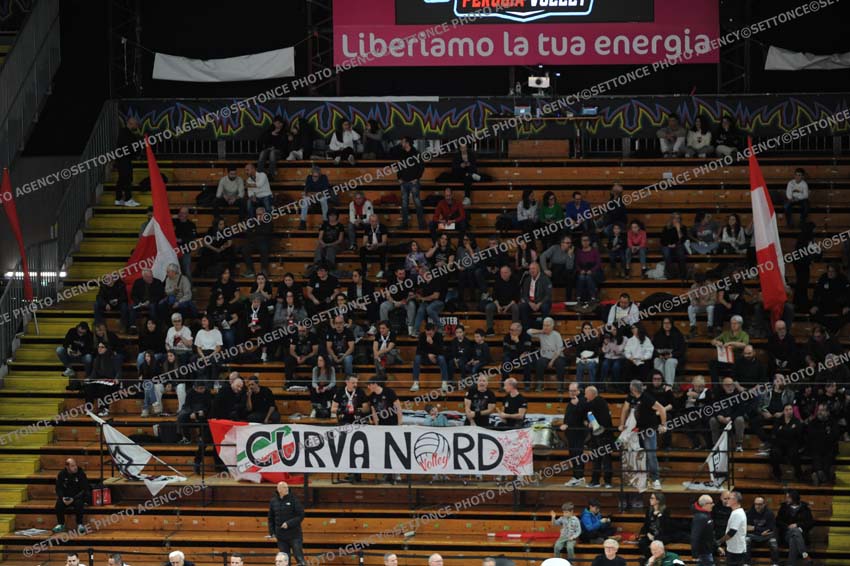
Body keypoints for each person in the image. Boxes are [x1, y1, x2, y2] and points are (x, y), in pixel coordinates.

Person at [619, 379, 667, 490]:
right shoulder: (630, 397)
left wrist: (663, 425)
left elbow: (662, 409)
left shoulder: (647, 398)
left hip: (648, 430)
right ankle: (641, 479)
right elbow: (625, 410)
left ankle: (655, 479)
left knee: (651, 454)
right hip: (635, 431)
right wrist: (622, 424)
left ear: (633, 389)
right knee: (636, 454)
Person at [267, 482, 305, 565]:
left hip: (294, 535)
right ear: (279, 489)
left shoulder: (294, 500)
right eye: (284, 487)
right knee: (284, 559)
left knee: (299, 558)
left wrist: (289, 523)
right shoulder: (273, 501)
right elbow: (271, 518)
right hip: (281, 537)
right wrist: (272, 533)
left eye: (287, 487)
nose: (287, 489)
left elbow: (301, 515)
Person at [709, 377, 748, 452]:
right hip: (721, 417)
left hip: (733, 418)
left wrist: (730, 417)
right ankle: (716, 445)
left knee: (740, 419)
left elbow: (741, 410)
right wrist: (719, 415)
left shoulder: (739, 395)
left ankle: (738, 444)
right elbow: (713, 407)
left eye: (731, 385)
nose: (729, 386)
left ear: (733, 385)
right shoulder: (718, 394)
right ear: (723, 386)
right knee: (712, 420)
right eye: (727, 385)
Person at [560, 382, 587, 486]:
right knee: (573, 455)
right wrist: (565, 424)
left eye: (574, 391)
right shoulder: (572, 401)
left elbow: (581, 416)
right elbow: (568, 416)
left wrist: (577, 405)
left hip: (578, 432)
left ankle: (579, 477)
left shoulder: (582, 401)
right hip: (571, 433)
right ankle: (576, 477)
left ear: (579, 391)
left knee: (577, 454)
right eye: (570, 391)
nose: (571, 393)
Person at [810, 263, 850, 334]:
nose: (830, 273)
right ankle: (833, 329)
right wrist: (815, 305)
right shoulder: (823, 277)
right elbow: (816, 293)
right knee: (813, 313)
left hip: (839, 306)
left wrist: (847, 306)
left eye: (832, 271)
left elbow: (848, 294)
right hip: (825, 306)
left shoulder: (843, 279)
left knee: (848, 314)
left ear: (837, 272)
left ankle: (831, 329)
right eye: (829, 271)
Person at [528, 317, 566, 392]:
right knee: (539, 362)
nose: (545, 327)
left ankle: (560, 385)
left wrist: (552, 361)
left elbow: (559, 350)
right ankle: (540, 384)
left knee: (560, 363)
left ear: (552, 326)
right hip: (545, 356)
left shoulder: (556, 334)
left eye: (547, 325)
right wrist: (541, 331)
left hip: (556, 356)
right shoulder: (541, 334)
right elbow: (528, 332)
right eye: (544, 325)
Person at [777, 489, 813, 565]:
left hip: (801, 535)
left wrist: (798, 525)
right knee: (794, 531)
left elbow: (810, 523)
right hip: (786, 534)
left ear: (794, 498)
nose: (786, 499)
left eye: (788, 497)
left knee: (793, 540)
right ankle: (804, 554)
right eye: (786, 497)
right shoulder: (784, 507)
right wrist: (788, 527)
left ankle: (791, 564)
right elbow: (778, 521)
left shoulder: (805, 508)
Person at [53, 458, 90, 533]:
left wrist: (74, 498)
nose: (75, 467)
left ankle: (79, 524)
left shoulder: (81, 473)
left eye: (75, 465)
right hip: (66, 498)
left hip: (77, 497)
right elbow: (58, 489)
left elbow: (84, 489)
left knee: (79, 503)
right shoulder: (61, 474)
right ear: (67, 467)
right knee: (59, 503)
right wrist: (62, 498)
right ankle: (61, 524)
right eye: (72, 466)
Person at [709, 315, 749, 383]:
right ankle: (715, 385)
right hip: (725, 358)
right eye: (732, 323)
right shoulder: (726, 333)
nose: (733, 325)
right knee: (712, 363)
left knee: (737, 365)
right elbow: (712, 341)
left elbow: (744, 345)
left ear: (740, 324)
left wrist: (731, 343)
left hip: (737, 358)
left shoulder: (744, 334)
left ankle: (732, 384)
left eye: (735, 323)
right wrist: (717, 342)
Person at [397, 137, 426, 229]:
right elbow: (399, 166)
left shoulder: (416, 153)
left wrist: (417, 178)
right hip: (404, 181)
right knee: (404, 204)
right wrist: (399, 177)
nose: (401, 143)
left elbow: (421, 167)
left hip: (413, 182)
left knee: (417, 203)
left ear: (407, 143)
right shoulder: (401, 153)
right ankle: (405, 224)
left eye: (403, 142)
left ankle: (421, 224)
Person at [769, 404, 803, 481]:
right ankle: (777, 473)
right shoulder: (778, 420)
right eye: (786, 410)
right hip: (780, 444)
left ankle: (799, 474)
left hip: (792, 444)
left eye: (790, 409)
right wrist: (790, 430)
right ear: (784, 411)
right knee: (774, 452)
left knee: (794, 453)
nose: (789, 411)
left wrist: (782, 430)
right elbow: (774, 433)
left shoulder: (796, 421)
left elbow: (798, 433)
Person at [483, 265, 519, 336]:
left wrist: (507, 307)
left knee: (516, 308)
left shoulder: (515, 281)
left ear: (510, 273)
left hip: (510, 304)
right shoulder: (497, 281)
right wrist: (498, 306)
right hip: (498, 304)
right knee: (489, 307)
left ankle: (514, 329)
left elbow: (516, 298)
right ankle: (490, 329)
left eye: (505, 272)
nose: (503, 274)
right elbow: (494, 296)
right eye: (502, 273)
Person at [411, 323, 448, 392]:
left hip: (436, 358)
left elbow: (442, 351)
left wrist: (432, 343)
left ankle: (444, 383)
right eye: (427, 333)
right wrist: (428, 355)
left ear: (434, 331)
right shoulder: (422, 336)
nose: (428, 335)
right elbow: (418, 351)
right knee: (417, 358)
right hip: (425, 358)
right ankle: (415, 383)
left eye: (430, 333)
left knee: (442, 358)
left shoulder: (439, 336)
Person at [809, 403, 839, 485]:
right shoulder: (813, 422)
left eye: (822, 410)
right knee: (816, 456)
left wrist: (821, 435)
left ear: (827, 412)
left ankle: (818, 475)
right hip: (816, 448)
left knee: (828, 458)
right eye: (819, 410)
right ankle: (820, 474)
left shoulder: (833, 422)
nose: (819, 412)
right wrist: (825, 434)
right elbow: (811, 436)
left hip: (830, 448)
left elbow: (835, 436)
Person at [638, 492, 675, 558]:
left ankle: (657, 559)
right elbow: (646, 525)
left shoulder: (665, 511)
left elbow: (666, 527)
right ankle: (650, 559)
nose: (650, 499)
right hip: (651, 534)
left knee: (656, 543)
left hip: (662, 535)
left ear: (658, 500)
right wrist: (648, 534)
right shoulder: (649, 510)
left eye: (652, 498)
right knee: (642, 543)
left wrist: (659, 515)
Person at [114, 117, 141, 206]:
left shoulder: (124, 133)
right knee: (127, 179)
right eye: (135, 124)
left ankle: (118, 199)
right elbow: (130, 147)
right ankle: (128, 199)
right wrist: (136, 154)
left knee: (122, 179)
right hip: (124, 159)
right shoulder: (126, 133)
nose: (137, 126)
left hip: (122, 159)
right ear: (130, 123)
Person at [412, 265, 447, 334]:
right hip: (427, 302)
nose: (420, 275)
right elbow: (420, 294)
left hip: (439, 302)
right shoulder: (423, 282)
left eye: (421, 273)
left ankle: (441, 328)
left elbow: (436, 296)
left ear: (426, 273)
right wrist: (416, 296)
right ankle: (415, 331)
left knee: (429, 309)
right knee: (420, 310)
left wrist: (423, 298)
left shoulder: (436, 279)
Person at [746, 496, 780, 566]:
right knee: (746, 540)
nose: (757, 506)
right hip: (754, 536)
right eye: (756, 504)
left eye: (759, 504)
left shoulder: (769, 513)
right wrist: (760, 531)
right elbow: (747, 528)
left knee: (773, 541)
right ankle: (746, 563)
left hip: (766, 536)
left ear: (764, 504)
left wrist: (754, 528)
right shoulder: (749, 512)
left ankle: (775, 563)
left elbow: (770, 528)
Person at [540, 235, 575, 301]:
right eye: (567, 243)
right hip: (553, 271)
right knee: (544, 276)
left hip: (564, 273)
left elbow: (569, 267)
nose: (569, 245)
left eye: (570, 243)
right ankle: (545, 299)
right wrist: (545, 269)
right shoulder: (554, 248)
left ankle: (568, 301)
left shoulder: (571, 252)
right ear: (562, 243)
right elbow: (542, 256)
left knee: (570, 275)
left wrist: (569, 256)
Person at [519, 262, 552, 331]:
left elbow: (548, 295)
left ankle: (544, 329)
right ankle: (526, 330)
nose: (531, 270)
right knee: (522, 307)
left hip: (542, 302)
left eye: (533, 268)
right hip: (531, 303)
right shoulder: (527, 279)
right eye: (530, 269)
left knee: (545, 307)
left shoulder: (545, 279)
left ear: (538, 269)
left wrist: (539, 304)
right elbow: (524, 294)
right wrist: (530, 303)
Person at [652, 317, 685, 386]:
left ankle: (668, 386)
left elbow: (681, 350)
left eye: (668, 323)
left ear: (672, 324)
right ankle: (660, 385)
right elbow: (653, 349)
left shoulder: (678, 335)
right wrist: (659, 355)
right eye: (664, 323)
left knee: (669, 362)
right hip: (661, 357)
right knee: (657, 360)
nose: (666, 325)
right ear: (662, 324)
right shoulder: (658, 335)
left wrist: (671, 355)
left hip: (674, 358)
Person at [718, 492, 748, 566]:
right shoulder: (735, 512)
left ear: (735, 500)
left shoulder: (737, 513)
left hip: (736, 550)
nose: (727, 500)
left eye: (729, 498)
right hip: (734, 548)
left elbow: (732, 532)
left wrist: (719, 541)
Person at [501, 322, 533, 388]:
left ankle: (527, 383)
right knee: (505, 359)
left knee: (527, 360)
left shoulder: (527, 337)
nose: (510, 332)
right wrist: (518, 354)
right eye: (510, 329)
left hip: (522, 357)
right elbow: (505, 351)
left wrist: (517, 342)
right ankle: (504, 383)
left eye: (512, 330)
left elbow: (527, 351)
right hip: (512, 357)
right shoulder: (507, 337)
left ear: (519, 331)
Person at [298, 165, 330, 231]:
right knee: (304, 200)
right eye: (313, 176)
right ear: (311, 174)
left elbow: (325, 191)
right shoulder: (309, 177)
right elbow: (307, 191)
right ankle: (303, 222)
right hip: (312, 196)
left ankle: (325, 221)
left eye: (316, 176)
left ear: (319, 175)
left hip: (321, 196)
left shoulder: (324, 178)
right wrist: (310, 194)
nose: (314, 178)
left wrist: (315, 194)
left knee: (324, 200)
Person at [450, 140, 481, 204]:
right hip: (459, 174)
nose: (463, 149)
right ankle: (471, 175)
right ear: (460, 148)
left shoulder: (471, 155)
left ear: (466, 147)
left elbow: (474, 167)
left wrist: (469, 165)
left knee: (467, 177)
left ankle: (467, 198)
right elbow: (454, 168)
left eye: (464, 147)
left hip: (468, 173)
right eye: (462, 148)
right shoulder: (456, 156)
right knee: (466, 176)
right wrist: (460, 166)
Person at [575, 234, 603, 304]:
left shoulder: (594, 251)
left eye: (587, 240)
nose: (585, 242)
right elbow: (576, 264)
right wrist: (580, 270)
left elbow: (598, 263)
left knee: (588, 277)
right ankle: (578, 297)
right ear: (581, 242)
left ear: (589, 241)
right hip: (582, 270)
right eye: (583, 240)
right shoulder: (578, 252)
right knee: (581, 277)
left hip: (594, 270)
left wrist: (591, 270)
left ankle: (593, 297)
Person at [359, 214, 390, 278]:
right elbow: (364, 242)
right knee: (362, 250)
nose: (374, 223)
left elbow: (384, 242)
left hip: (379, 246)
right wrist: (368, 245)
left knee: (384, 249)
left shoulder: (382, 227)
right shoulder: (367, 228)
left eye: (376, 221)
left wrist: (376, 245)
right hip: (370, 246)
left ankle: (382, 270)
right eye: (372, 221)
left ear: (378, 221)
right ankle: (364, 271)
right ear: (369, 221)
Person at [687, 272, 716, 338]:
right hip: (699, 306)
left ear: (704, 281)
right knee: (690, 308)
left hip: (708, 305)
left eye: (701, 283)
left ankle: (710, 328)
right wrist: (694, 302)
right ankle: (693, 327)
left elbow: (714, 300)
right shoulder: (694, 286)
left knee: (711, 308)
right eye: (698, 283)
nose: (699, 284)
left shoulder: (711, 286)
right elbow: (692, 300)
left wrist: (706, 303)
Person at [660, 212, 688, 280]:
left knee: (681, 254)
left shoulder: (683, 228)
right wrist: (669, 245)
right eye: (675, 218)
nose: (677, 220)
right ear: (672, 219)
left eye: (678, 218)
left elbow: (682, 240)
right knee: (666, 254)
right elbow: (662, 240)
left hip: (678, 245)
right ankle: (671, 274)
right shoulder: (666, 228)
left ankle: (683, 274)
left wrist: (678, 230)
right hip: (667, 245)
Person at [258, 115, 287, 179]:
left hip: (279, 152)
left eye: (281, 123)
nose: (279, 125)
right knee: (263, 152)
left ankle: (271, 173)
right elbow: (263, 141)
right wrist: (272, 134)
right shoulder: (269, 131)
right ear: (274, 123)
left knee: (272, 152)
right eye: (278, 123)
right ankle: (259, 172)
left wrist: (274, 147)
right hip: (268, 150)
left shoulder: (284, 132)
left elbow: (284, 146)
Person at [691, 494, 717, 566]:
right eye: (711, 503)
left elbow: (710, 534)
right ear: (705, 504)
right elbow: (695, 536)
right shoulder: (700, 518)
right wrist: (695, 554)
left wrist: (716, 546)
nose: (713, 505)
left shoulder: (706, 515)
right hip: (703, 553)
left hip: (707, 551)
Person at [173, 207, 198, 278]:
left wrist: (181, 240)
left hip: (185, 250)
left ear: (187, 214)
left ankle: (188, 285)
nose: (181, 214)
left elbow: (192, 238)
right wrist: (173, 217)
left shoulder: (191, 225)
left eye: (183, 213)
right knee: (174, 270)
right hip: (174, 250)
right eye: (180, 212)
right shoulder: (175, 222)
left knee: (186, 270)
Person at [574, 322, 600, 386]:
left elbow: (596, 353)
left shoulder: (595, 338)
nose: (587, 330)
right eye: (585, 328)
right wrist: (582, 357)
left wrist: (588, 358)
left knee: (591, 366)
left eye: (589, 328)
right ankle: (580, 387)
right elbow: (577, 351)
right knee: (580, 366)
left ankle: (592, 387)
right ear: (583, 329)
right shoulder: (579, 338)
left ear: (591, 329)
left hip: (592, 358)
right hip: (582, 358)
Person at [139, 350, 164, 417]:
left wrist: (150, 381)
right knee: (148, 384)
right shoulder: (142, 365)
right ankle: (155, 403)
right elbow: (140, 378)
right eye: (145, 356)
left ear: (152, 357)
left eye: (148, 356)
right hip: (146, 383)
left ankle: (145, 409)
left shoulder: (157, 364)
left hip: (155, 383)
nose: (147, 358)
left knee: (148, 387)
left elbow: (159, 377)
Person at [600, 327, 626, 392]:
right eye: (611, 330)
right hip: (609, 357)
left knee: (616, 366)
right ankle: (602, 386)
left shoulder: (624, 339)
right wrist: (605, 344)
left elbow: (627, 352)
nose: (612, 331)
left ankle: (617, 386)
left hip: (619, 357)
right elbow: (605, 351)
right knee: (604, 365)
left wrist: (620, 353)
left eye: (614, 330)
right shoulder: (609, 338)